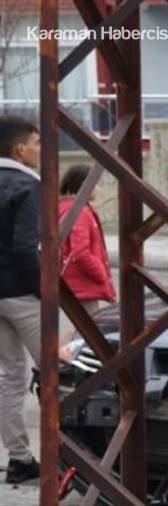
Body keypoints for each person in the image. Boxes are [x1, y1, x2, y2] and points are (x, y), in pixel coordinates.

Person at [0, 115, 42, 483]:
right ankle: (73, 456)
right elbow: (27, 248)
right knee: (61, 372)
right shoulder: (28, 185)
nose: (40, 150)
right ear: (19, 150)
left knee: (11, 377)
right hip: (22, 294)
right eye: (37, 144)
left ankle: (20, 460)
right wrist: (44, 290)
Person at [57, 165, 115, 314]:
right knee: (90, 325)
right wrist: (100, 273)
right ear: (84, 185)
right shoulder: (80, 211)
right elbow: (81, 252)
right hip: (82, 284)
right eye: (95, 184)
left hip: (71, 282)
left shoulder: (64, 207)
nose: (98, 189)